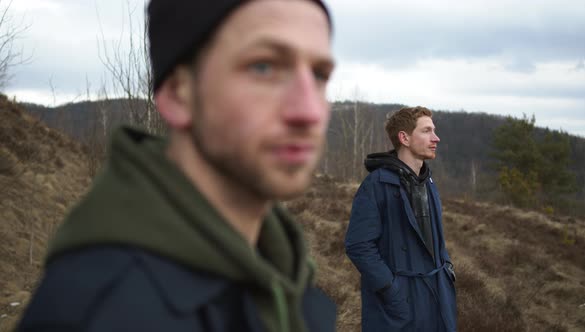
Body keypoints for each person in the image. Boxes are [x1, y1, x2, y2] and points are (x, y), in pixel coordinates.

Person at [18, 1, 336, 331]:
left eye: (319, 75)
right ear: (177, 93)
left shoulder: (287, 284)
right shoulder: (100, 312)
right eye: (263, 67)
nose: (309, 110)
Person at [345, 106, 457, 331]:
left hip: (437, 296)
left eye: (433, 130)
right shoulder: (376, 185)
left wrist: (447, 272)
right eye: (426, 131)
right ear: (404, 137)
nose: (436, 138)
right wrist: (391, 289)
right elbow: (358, 245)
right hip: (400, 302)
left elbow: (436, 241)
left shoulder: (429, 184)